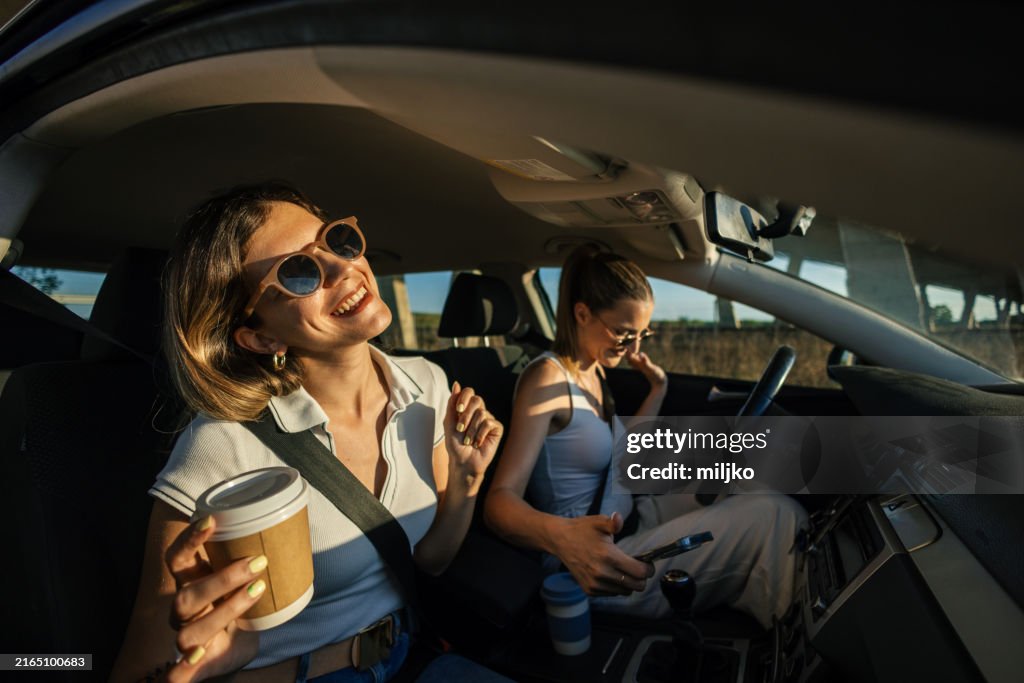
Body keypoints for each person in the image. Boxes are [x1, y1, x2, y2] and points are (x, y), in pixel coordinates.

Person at [111, 183, 512, 683]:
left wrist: (467, 480)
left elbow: (428, 562)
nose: (344, 268)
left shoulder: (427, 384)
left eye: (337, 241)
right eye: (300, 273)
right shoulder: (223, 444)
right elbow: (140, 671)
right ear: (261, 335)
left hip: (410, 658)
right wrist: (195, 668)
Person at [484, 245, 806, 629]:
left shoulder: (593, 372)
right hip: (595, 558)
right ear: (582, 313)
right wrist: (563, 538)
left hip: (636, 517)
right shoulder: (546, 379)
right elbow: (499, 504)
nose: (633, 348)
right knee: (772, 518)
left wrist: (658, 388)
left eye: (641, 334)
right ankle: (801, 635)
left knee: (750, 489)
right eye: (623, 333)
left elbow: (619, 450)